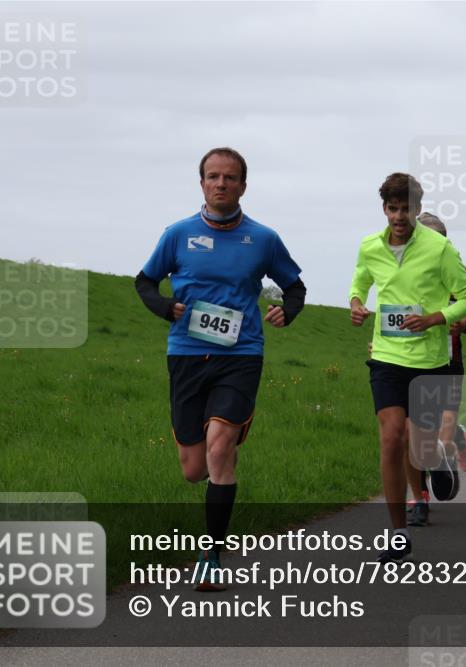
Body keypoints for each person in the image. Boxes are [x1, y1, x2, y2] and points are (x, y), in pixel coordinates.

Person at [135, 147, 306, 591]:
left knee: (218, 447)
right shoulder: (178, 234)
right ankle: (220, 459)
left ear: (243, 186)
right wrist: (163, 307)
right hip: (187, 352)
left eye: (230, 178)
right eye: (213, 176)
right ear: (202, 184)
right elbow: (145, 281)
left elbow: (294, 286)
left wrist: (288, 311)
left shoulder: (263, 239)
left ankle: (211, 557)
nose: (221, 184)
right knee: (194, 468)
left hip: (241, 353)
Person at [349, 174, 466, 561]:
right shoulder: (370, 246)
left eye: (406, 208)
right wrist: (356, 303)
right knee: (391, 437)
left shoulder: (440, 249)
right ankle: (398, 531)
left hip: (430, 363)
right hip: (387, 357)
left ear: (418, 209)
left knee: (418, 447)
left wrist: (436, 317)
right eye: (393, 208)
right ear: (384, 209)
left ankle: (443, 449)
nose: (399, 216)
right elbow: (360, 281)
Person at [405, 212, 466, 527]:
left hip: (447, 363)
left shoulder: (455, 271)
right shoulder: (401, 271)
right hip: (407, 361)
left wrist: (460, 326)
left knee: (435, 434)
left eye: (439, 239)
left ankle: (453, 439)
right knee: (411, 433)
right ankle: (420, 498)